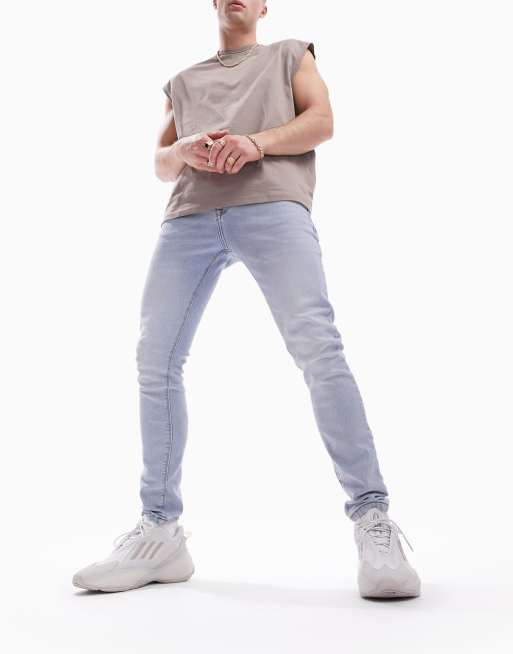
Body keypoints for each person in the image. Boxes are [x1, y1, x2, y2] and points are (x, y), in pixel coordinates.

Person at [72, 0, 421, 598]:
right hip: (188, 216)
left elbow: (322, 121)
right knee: (155, 360)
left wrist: (255, 144)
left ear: (263, 6)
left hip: (273, 206)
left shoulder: (290, 54)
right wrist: (182, 151)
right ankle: (159, 532)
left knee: (318, 349)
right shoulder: (183, 81)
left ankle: (372, 518)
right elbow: (160, 162)